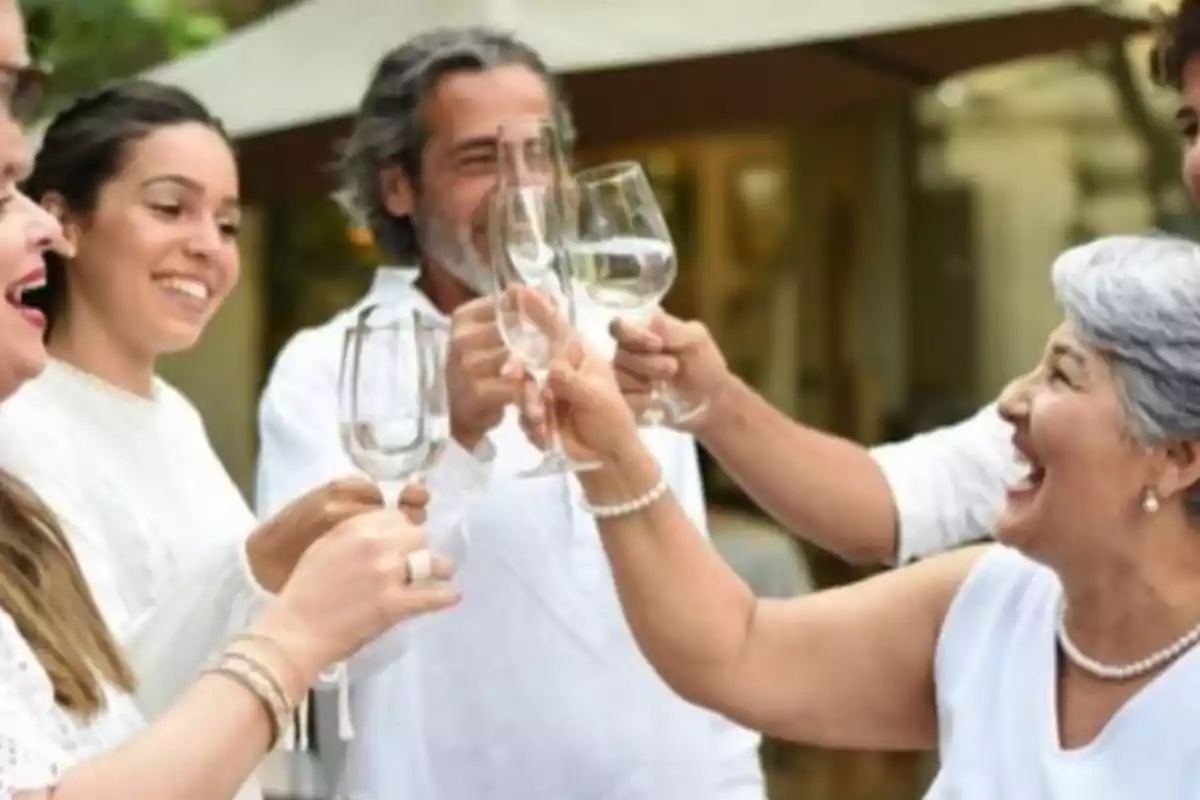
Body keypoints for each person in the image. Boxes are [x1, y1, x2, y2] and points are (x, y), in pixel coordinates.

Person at [256, 26, 764, 800]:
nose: (524, 189)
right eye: (481, 159)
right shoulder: (324, 369)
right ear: (398, 187)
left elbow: (701, 604)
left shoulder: (623, 342)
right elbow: (319, 655)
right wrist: (449, 435)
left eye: (541, 152)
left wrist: (734, 782)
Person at [540, 232, 1200, 797]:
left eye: (1062, 376)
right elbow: (735, 650)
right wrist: (611, 458)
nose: (1010, 400)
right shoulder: (991, 601)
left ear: (1176, 456)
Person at [0, 2, 460, 797]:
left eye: (227, 222)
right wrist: (272, 597)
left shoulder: (175, 418)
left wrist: (279, 566)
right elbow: (93, 716)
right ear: (65, 220)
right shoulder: (23, 422)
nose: (207, 247)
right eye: (170, 208)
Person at [605, 0, 1200, 570]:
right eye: (1193, 127)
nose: (1197, 159)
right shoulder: (1156, 322)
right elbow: (894, 502)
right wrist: (714, 398)